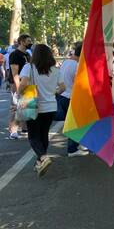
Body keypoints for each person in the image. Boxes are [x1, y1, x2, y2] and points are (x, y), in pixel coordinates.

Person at [17, 44, 65, 177]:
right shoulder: (55, 70)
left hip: (32, 104)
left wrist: (18, 94)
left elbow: (23, 83)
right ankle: (40, 162)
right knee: (43, 134)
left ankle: (43, 157)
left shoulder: (29, 67)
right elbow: (63, 87)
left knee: (33, 136)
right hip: (51, 107)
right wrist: (53, 93)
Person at [56, 42, 88, 157]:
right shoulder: (77, 65)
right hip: (71, 97)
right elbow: (79, 83)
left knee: (73, 123)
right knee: (75, 123)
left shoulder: (66, 62)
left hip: (63, 95)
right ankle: (72, 149)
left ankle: (76, 145)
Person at [8, 34, 33, 140]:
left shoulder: (27, 54)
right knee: (16, 106)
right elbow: (15, 73)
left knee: (26, 106)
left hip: (27, 83)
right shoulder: (14, 54)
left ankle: (24, 128)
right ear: (22, 42)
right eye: (28, 41)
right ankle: (13, 131)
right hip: (16, 84)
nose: (30, 42)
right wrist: (18, 89)